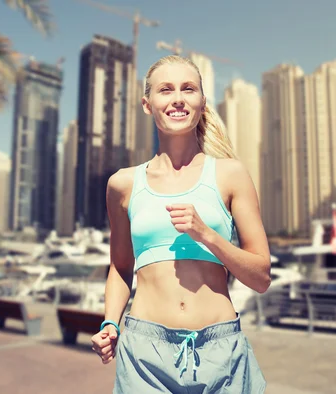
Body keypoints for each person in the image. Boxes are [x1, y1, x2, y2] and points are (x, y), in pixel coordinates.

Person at [91, 55, 271, 393]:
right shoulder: (122, 184)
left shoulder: (230, 174)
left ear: (202, 102)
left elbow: (261, 277)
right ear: (148, 104)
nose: (177, 98)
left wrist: (207, 235)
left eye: (188, 89)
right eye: (165, 90)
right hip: (146, 354)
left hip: (223, 354)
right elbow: (120, 265)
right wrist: (110, 323)